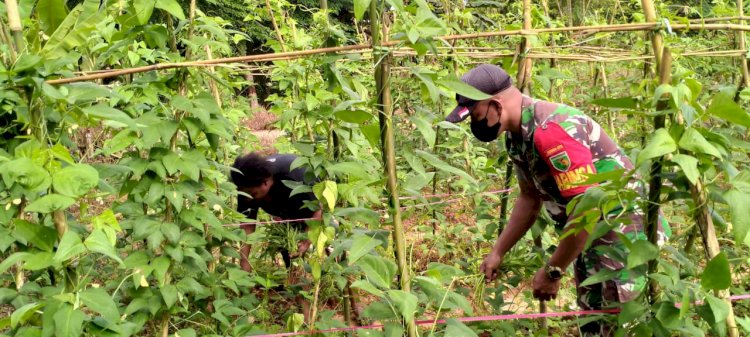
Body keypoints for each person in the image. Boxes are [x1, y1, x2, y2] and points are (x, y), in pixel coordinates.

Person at [444, 64, 669, 336]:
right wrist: (498, 251)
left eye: (476, 115)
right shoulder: (517, 136)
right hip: (588, 237)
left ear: (495, 104)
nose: (474, 124)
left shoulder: (552, 131)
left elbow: (587, 207)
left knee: (621, 327)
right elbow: (529, 197)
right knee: (593, 325)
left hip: (623, 239)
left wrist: (553, 271)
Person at [230, 152, 321, 272]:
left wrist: (307, 239)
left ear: (265, 182)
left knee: (321, 242)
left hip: (313, 210)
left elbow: (321, 208)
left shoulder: (296, 173)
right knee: (287, 243)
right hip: (285, 214)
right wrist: (244, 264)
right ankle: (294, 278)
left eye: (253, 195)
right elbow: (247, 225)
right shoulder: (246, 185)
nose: (249, 199)